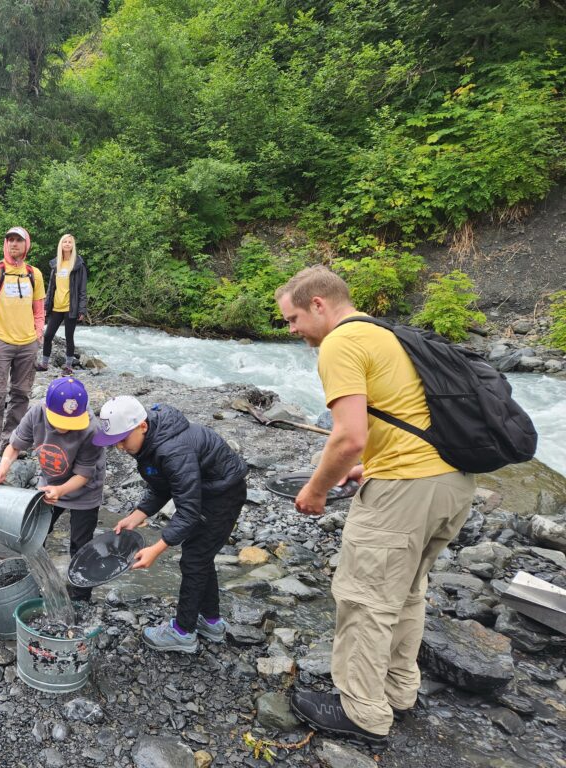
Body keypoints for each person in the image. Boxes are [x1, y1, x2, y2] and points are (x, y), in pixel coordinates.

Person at [275, 265, 476, 750]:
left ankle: (361, 711)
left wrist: (317, 489)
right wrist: (371, 467)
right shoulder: (388, 333)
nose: (292, 329)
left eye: (293, 318)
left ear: (319, 304)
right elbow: (404, 420)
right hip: (451, 482)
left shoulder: (341, 343)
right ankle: (396, 690)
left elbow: (348, 437)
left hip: (406, 491)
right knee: (406, 591)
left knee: (365, 598)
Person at [93, 395, 247, 653]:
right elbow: (163, 484)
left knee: (194, 558)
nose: (119, 447)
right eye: (114, 441)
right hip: (205, 490)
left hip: (222, 495)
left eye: (122, 439)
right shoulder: (150, 441)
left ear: (142, 425)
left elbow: (187, 511)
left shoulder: (173, 449)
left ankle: (183, 632)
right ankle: (211, 621)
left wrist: (157, 548)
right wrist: (137, 515)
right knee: (200, 556)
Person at [0, 376, 106, 601]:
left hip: (85, 490)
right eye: (60, 422)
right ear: (47, 408)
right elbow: (14, 446)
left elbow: (83, 475)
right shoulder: (37, 414)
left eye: (71, 424)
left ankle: (81, 596)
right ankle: (41, 582)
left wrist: (61, 491)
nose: (64, 429)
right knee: (33, 534)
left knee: (81, 543)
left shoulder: (92, 429)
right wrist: (2, 469)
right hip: (50, 482)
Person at [0, 226, 45, 466]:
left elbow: (39, 308)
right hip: (0, 343)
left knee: (21, 395)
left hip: (28, 344)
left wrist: (38, 336)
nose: (14, 244)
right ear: (6, 244)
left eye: (19, 240)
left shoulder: (34, 274)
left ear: (26, 245)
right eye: (10, 240)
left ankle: (11, 445)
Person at [38, 233, 87, 375]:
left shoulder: (78, 264)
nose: (67, 244)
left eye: (69, 242)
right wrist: (46, 306)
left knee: (69, 337)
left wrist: (82, 309)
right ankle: (44, 364)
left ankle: (68, 366)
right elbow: (50, 288)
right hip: (56, 307)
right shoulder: (56, 264)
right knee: (48, 336)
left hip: (71, 307)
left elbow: (82, 288)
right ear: (61, 244)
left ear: (73, 246)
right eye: (64, 241)